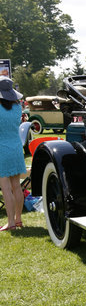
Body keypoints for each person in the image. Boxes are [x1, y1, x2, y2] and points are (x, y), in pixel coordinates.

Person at [0, 76, 26, 231]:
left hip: (2, 149)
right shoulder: (18, 108)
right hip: (16, 147)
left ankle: (10, 223)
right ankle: (18, 219)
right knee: (17, 186)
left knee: (6, 188)